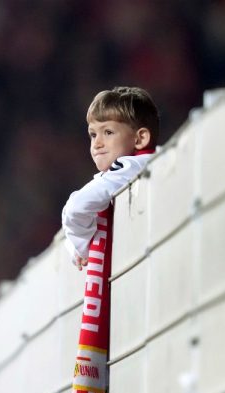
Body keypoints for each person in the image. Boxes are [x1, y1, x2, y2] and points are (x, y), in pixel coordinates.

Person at [61, 86, 159, 270]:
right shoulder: (133, 167)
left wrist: (81, 245)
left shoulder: (133, 165)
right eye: (93, 134)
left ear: (140, 139)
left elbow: (76, 208)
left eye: (108, 132)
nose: (97, 143)